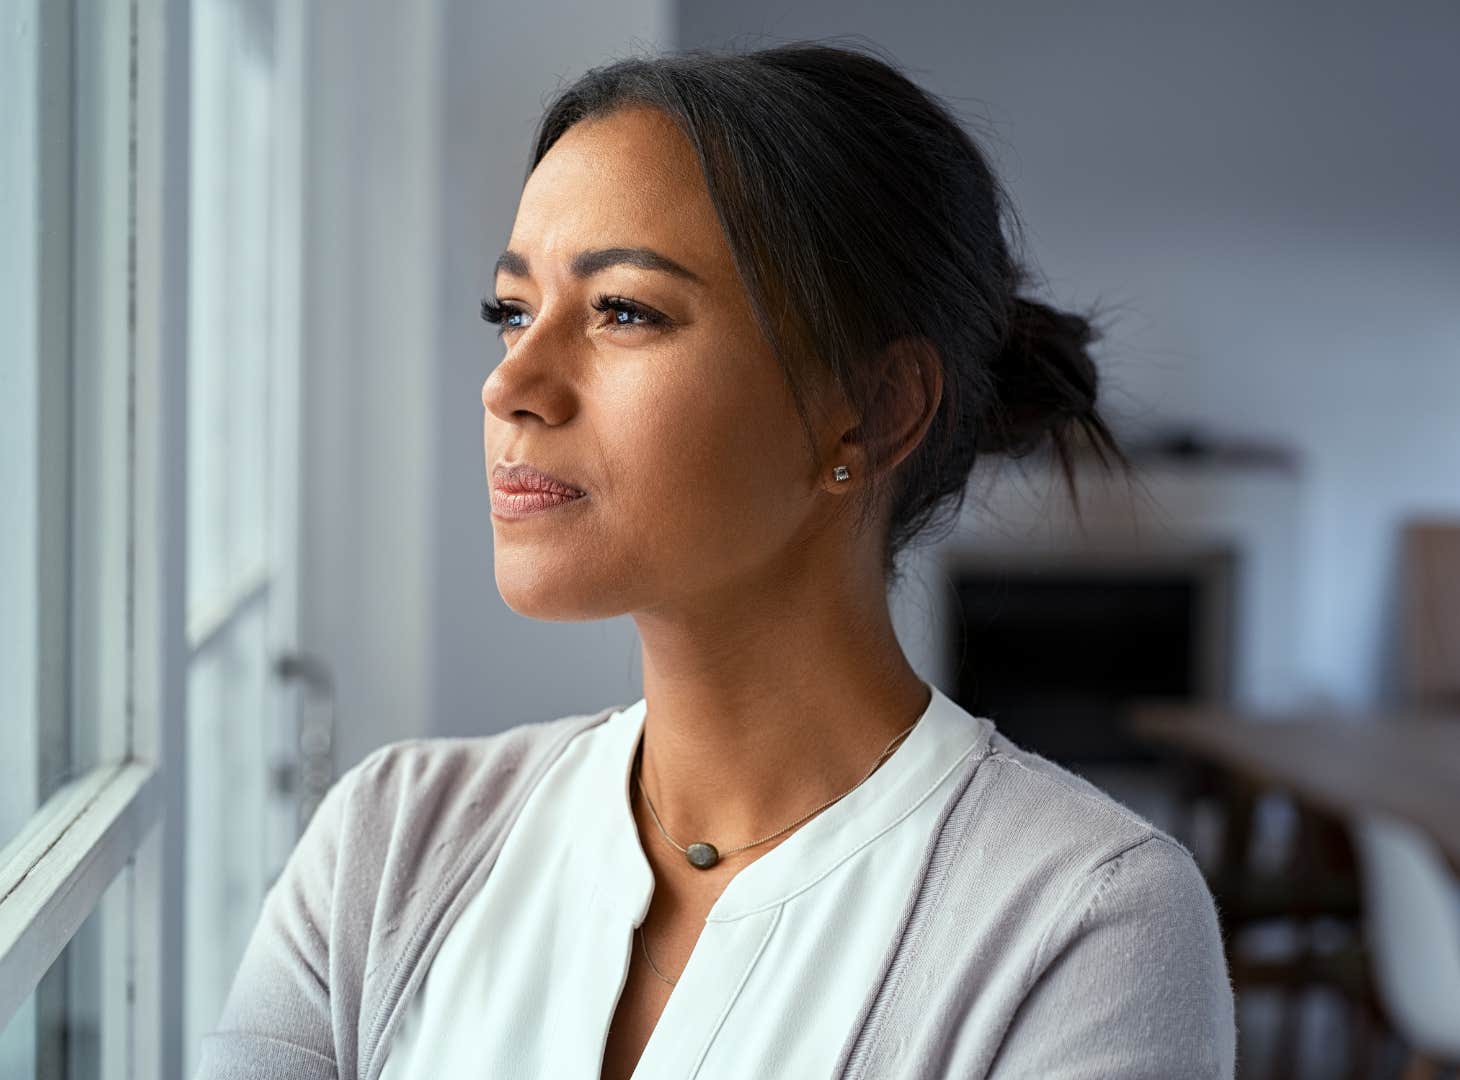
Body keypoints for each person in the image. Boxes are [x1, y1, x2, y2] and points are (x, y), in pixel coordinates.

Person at [196, 40, 1235, 1080]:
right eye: (513, 311)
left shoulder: (1086, 927)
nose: (512, 383)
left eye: (624, 312)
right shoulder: (389, 845)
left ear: (872, 412)